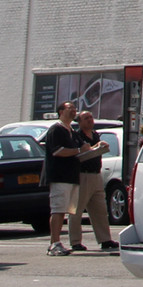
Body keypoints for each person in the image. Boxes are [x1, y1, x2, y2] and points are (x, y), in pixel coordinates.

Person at [70, 110, 116, 251]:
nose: (90, 120)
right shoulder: (76, 136)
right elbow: (81, 153)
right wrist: (95, 147)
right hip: (82, 175)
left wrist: (101, 147)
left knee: (100, 210)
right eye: (86, 118)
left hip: (96, 175)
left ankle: (105, 239)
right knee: (76, 210)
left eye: (91, 117)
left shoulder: (96, 135)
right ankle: (75, 241)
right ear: (80, 122)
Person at [43, 100, 83, 255]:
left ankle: (58, 242)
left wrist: (96, 148)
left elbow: (82, 148)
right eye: (70, 108)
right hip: (59, 176)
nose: (74, 111)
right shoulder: (56, 129)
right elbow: (58, 151)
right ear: (61, 111)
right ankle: (54, 244)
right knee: (58, 209)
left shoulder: (71, 131)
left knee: (66, 210)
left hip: (72, 176)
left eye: (75, 108)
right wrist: (79, 150)